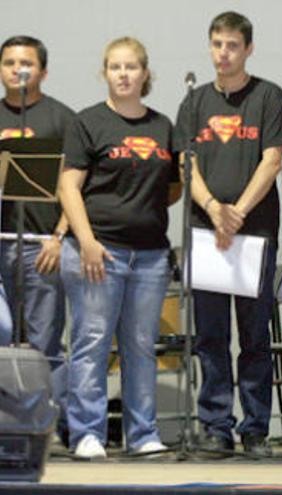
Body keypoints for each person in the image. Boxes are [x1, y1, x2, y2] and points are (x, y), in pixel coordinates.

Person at [174, 11, 282, 457]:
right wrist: (211, 208)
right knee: (211, 336)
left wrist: (236, 212)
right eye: (217, 44)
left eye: (233, 46)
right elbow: (188, 164)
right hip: (207, 232)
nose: (224, 53)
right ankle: (216, 425)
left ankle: (256, 428)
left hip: (254, 231)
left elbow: (273, 159)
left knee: (254, 336)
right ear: (209, 47)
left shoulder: (268, 97)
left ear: (248, 49)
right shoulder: (195, 101)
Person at [58, 36, 178, 459]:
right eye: (115, 67)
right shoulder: (87, 122)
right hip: (98, 253)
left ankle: (142, 434)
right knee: (92, 342)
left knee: (141, 345)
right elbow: (68, 186)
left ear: (146, 74)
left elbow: (174, 187)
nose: (123, 74)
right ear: (104, 73)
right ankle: (86, 433)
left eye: (131, 67)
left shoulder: (163, 126)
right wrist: (87, 241)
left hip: (150, 256)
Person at [0, 37, 72, 439]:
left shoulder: (62, 119)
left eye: (26, 63)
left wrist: (59, 237)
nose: (17, 69)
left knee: (45, 344)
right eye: (9, 62)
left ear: (43, 71)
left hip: (42, 245)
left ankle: (49, 429)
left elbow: (76, 188)